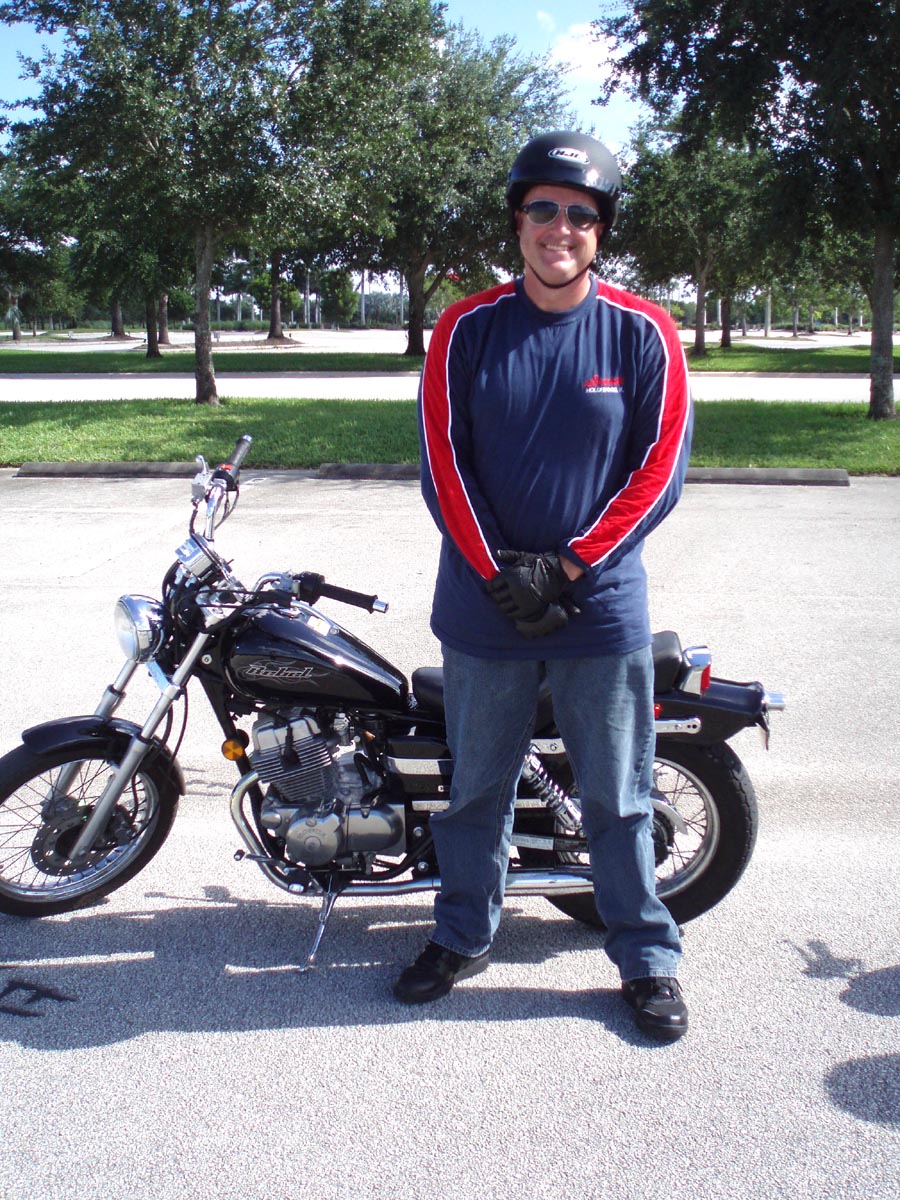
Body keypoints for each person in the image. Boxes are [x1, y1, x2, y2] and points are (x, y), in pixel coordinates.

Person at [394, 131, 693, 1042]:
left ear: (600, 232)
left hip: (599, 611)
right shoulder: (465, 328)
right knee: (476, 792)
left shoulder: (642, 331)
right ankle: (461, 932)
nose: (560, 228)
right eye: (542, 209)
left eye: (580, 215)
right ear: (518, 221)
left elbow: (659, 468)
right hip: (484, 608)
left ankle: (646, 956)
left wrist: (566, 569)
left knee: (618, 795)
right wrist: (501, 573)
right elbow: (444, 463)